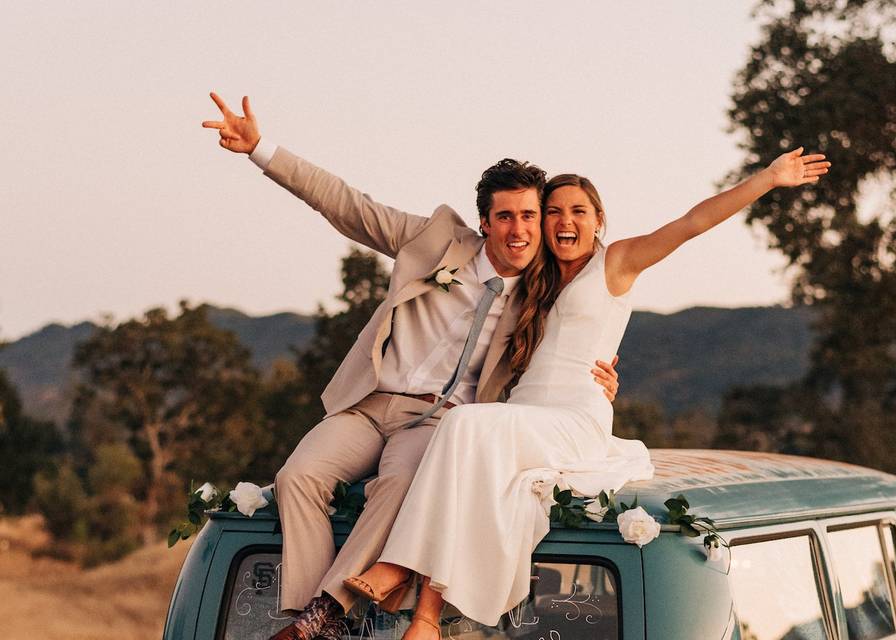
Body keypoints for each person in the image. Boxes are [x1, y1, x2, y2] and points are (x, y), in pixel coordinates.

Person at [350, 147, 832, 638]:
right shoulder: (533, 279)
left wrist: (768, 179)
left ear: (599, 220)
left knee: (462, 423)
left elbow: (691, 223)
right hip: (521, 417)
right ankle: (427, 617)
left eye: (578, 210)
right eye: (554, 211)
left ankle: (401, 569)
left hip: (574, 419)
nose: (565, 220)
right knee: (462, 445)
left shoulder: (615, 263)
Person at [201, 93, 621, 640]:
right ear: (485, 222)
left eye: (528, 216)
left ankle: (324, 614)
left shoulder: (546, 292)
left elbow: (583, 337)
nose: (519, 230)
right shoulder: (435, 241)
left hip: (440, 423)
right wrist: (261, 149)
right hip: (371, 404)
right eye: (505, 217)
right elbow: (348, 206)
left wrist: (604, 382)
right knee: (297, 477)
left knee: (398, 486)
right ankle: (317, 621)